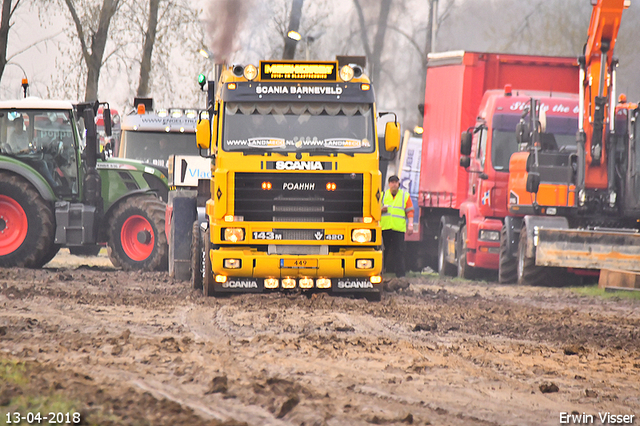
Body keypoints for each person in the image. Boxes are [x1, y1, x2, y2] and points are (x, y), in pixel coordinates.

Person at [381, 175, 414, 278]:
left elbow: (410, 211)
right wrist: (380, 210)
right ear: (389, 184)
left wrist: (410, 225)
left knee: (399, 252)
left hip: (398, 229)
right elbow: (374, 210)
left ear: (398, 183)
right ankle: (381, 272)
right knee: (383, 251)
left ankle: (400, 275)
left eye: (396, 182)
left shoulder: (405, 195)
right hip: (385, 228)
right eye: (392, 182)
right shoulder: (382, 195)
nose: (394, 184)